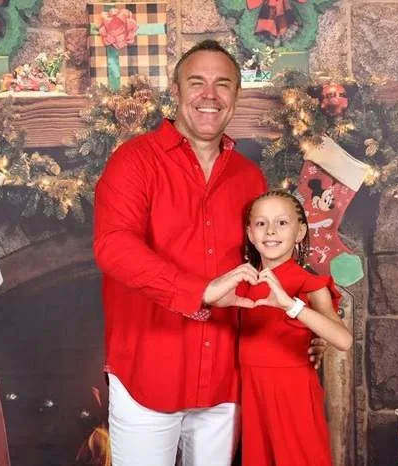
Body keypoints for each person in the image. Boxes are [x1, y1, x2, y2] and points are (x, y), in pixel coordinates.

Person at [93, 40, 326, 466]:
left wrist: (302, 332)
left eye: (223, 84)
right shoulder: (134, 161)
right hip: (149, 372)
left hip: (225, 374)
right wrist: (200, 291)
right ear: (176, 92)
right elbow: (114, 247)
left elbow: (269, 269)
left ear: (236, 96)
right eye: (196, 82)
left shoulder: (249, 177)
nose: (210, 95)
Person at [237, 190, 352, 466]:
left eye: (282, 222)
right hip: (252, 394)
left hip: (293, 395)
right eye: (261, 223)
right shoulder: (241, 282)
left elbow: (343, 339)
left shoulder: (309, 284)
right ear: (250, 233)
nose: (271, 231)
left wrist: (291, 305)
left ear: (300, 232)